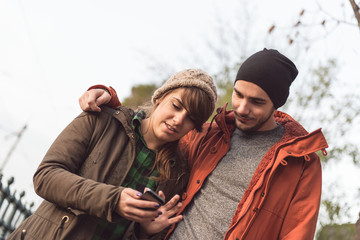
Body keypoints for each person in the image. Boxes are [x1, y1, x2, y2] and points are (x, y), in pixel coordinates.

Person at [78, 48, 329, 240]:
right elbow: (150, 131)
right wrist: (111, 100)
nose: (241, 107)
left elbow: (297, 233)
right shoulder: (209, 134)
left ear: (276, 104)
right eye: (238, 94)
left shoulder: (302, 164)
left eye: (256, 102)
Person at [7, 69, 217, 240]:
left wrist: (144, 232)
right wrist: (113, 200)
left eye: (190, 118)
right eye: (176, 106)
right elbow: (45, 177)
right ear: (160, 98)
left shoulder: (177, 174)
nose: (179, 119)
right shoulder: (101, 120)